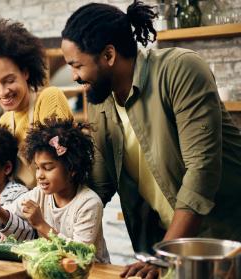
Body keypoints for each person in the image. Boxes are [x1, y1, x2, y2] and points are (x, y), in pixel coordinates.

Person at [60, 1, 241, 278]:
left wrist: (163, 256)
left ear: (108, 54)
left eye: (77, 65)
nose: (74, 76)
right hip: (168, 247)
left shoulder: (180, 70)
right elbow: (99, 183)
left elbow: (202, 171)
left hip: (224, 240)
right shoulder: (100, 99)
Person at [0, 117, 110, 263]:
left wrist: (41, 224)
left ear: (71, 168)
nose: (39, 175)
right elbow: (5, 212)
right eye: (38, 167)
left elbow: (80, 254)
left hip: (92, 273)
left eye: (47, 168)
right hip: (56, 271)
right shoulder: (39, 194)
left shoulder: (88, 203)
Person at [0, 19, 73, 188]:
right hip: (21, 209)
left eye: (9, 80)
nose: (2, 92)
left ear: (25, 72)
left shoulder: (49, 98)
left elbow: (59, 165)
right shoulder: (5, 121)